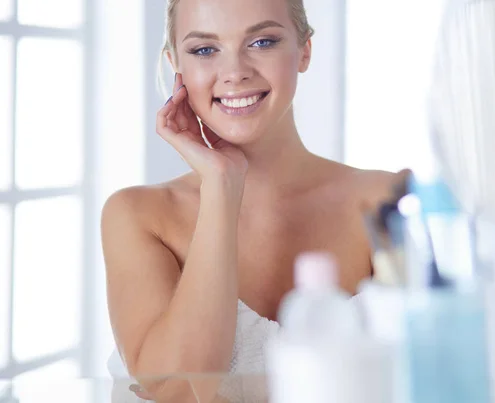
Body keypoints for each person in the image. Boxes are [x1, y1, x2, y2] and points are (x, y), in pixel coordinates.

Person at [101, 0, 409, 401]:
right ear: (174, 63)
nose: (234, 73)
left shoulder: (389, 200)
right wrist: (220, 184)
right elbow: (178, 392)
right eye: (204, 50)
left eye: (262, 41)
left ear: (304, 51)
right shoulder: (139, 216)